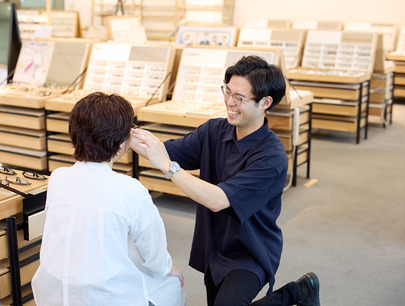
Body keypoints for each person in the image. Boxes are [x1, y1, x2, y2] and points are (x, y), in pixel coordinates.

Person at [131, 56, 320, 306]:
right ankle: (299, 292)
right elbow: (167, 151)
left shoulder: (271, 157)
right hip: (215, 246)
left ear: (266, 102)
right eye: (227, 91)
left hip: (250, 252)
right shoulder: (214, 131)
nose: (230, 102)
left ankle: (292, 295)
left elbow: (219, 200)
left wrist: (168, 167)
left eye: (240, 98)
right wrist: (119, 132)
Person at [32, 92, 186, 306]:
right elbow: (154, 256)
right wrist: (169, 269)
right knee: (172, 284)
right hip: (108, 299)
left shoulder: (58, 178)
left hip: (50, 294)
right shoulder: (131, 189)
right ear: (123, 142)